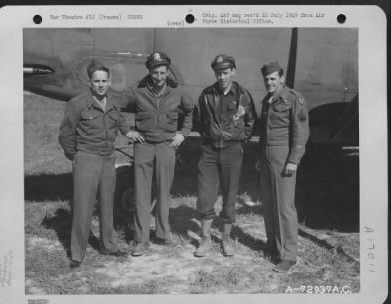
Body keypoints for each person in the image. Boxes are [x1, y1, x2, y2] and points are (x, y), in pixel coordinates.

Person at [120, 51, 194, 256]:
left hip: (166, 145)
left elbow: (190, 111)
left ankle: (162, 234)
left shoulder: (178, 92)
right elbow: (116, 107)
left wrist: (183, 133)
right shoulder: (136, 89)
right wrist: (127, 131)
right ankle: (141, 239)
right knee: (142, 193)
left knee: (164, 191)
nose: (159, 77)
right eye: (155, 73)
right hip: (143, 144)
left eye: (163, 73)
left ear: (168, 71)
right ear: (149, 71)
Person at [59, 59, 130, 268]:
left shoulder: (114, 102)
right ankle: (77, 254)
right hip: (87, 158)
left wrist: (128, 131)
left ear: (109, 82)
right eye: (96, 81)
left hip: (108, 159)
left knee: (107, 204)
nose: (100, 85)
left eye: (104, 81)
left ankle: (107, 245)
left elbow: (120, 120)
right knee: (83, 207)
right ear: (90, 83)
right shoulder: (77, 103)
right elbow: (66, 134)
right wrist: (77, 156)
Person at [193, 55, 255, 257]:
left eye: (225, 72)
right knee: (205, 195)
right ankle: (204, 239)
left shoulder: (243, 95)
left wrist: (237, 140)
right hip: (210, 151)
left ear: (233, 71)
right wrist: (211, 136)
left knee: (230, 196)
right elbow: (200, 121)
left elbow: (251, 123)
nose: (222, 77)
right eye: (218, 73)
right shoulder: (206, 95)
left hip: (232, 151)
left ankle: (226, 238)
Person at [256, 61, 310, 273]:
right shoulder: (268, 100)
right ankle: (273, 245)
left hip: (283, 154)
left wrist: (293, 160)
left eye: (272, 78)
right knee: (269, 204)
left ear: (281, 78)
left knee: (285, 207)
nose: (269, 82)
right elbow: (264, 132)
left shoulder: (294, 99)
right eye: (266, 79)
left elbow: (301, 132)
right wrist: (260, 156)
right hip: (267, 155)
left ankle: (288, 255)